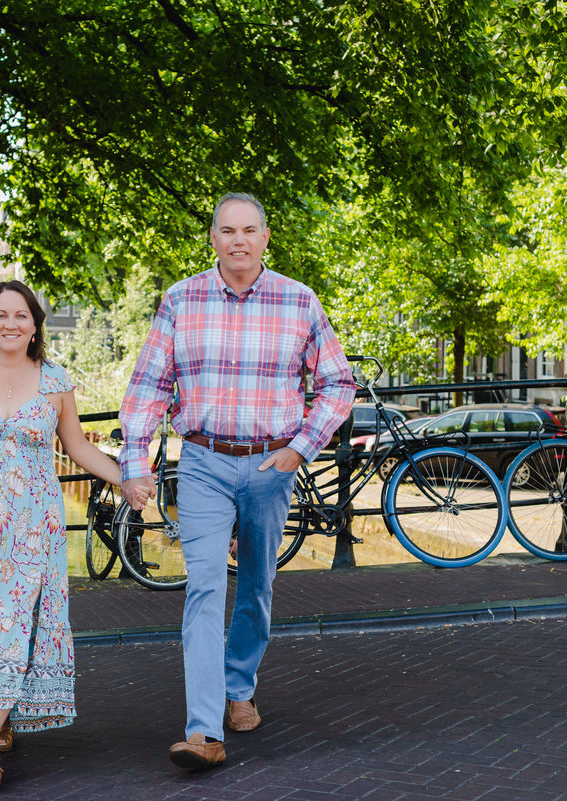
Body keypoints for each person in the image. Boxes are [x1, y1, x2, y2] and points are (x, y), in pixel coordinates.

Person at [119, 193, 355, 769]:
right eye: (228, 230)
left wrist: (300, 449)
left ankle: (239, 685)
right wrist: (135, 460)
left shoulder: (300, 301)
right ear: (214, 238)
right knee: (203, 586)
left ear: (266, 238)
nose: (239, 240)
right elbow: (150, 385)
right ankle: (202, 731)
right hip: (203, 461)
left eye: (250, 230)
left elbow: (337, 384)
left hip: (272, 465)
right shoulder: (181, 299)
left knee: (254, 584)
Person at [0, 280, 148, 790]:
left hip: (33, 523)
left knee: (11, 611)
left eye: (21, 315)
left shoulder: (55, 380)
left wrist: (124, 478)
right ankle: (2, 717)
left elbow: (78, 447)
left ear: (35, 324)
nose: (11, 323)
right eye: (1, 315)